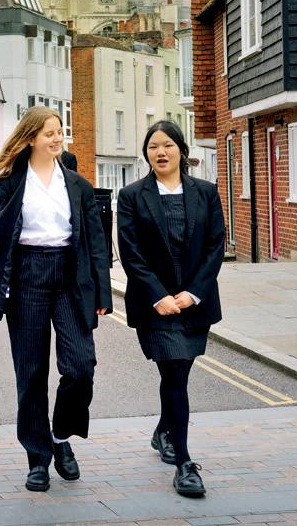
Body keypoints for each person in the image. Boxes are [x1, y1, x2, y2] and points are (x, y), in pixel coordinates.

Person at [0, 106, 112, 493]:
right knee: (31, 373)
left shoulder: (78, 185)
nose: (56, 138)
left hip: (70, 277)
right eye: (49, 132)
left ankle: (61, 436)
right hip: (27, 278)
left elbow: (96, 243)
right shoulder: (10, 181)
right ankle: (37, 457)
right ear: (31, 137)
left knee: (80, 367)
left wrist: (101, 291)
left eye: (59, 132)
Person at [117, 120, 224, 499]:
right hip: (156, 307)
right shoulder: (132, 196)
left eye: (167, 145)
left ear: (181, 149)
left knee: (179, 375)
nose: (160, 152)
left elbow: (215, 246)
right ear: (146, 154)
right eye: (153, 147)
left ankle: (165, 428)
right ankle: (184, 464)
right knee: (175, 373)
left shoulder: (206, 192)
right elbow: (130, 252)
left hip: (194, 304)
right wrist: (158, 296)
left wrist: (193, 293)